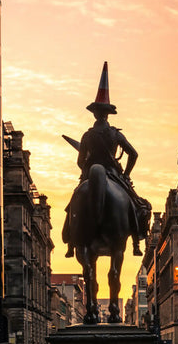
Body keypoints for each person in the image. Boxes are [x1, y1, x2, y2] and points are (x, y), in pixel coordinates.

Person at [62, 62, 150, 257]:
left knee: (72, 205)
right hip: (114, 174)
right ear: (108, 114)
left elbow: (79, 162)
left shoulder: (86, 135)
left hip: (89, 173)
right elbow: (133, 154)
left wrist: (86, 168)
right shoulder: (115, 134)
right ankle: (137, 242)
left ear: (94, 113)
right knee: (138, 205)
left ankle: (70, 242)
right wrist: (125, 174)